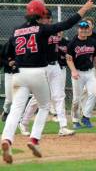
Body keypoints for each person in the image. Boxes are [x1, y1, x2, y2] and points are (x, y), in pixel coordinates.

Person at [1, 0, 94, 164]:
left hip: (19, 74)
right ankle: (34, 139)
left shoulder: (16, 30)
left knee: (16, 109)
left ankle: (7, 139)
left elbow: (10, 51)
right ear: (40, 13)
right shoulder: (42, 29)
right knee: (44, 106)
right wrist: (83, 10)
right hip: (37, 72)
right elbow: (65, 25)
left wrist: (12, 61)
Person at [19, 9, 75, 137]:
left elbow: (60, 41)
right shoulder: (39, 31)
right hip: (42, 67)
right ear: (40, 18)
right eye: (46, 17)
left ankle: (63, 126)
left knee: (59, 95)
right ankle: (24, 122)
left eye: (50, 17)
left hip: (55, 66)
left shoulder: (53, 30)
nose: (49, 19)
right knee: (37, 98)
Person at [67, 20, 96, 129]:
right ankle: (75, 121)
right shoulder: (72, 43)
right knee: (76, 98)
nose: (83, 30)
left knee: (94, 94)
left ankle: (86, 117)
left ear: (88, 29)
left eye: (86, 28)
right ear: (78, 29)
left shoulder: (92, 42)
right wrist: (73, 71)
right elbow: (69, 59)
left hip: (90, 71)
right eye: (81, 28)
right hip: (78, 72)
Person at [1, 42, 14, 122]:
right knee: (9, 98)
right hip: (9, 74)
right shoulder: (8, 45)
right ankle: (6, 111)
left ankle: (18, 117)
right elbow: (1, 58)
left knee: (19, 97)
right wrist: (8, 63)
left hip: (21, 74)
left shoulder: (26, 44)